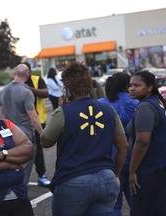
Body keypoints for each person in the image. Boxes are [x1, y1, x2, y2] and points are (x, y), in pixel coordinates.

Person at [40, 62, 128, 216]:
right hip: (106, 178)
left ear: (67, 88)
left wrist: (58, 110)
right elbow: (123, 146)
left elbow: (45, 141)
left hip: (73, 180)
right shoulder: (108, 110)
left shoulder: (63, 112)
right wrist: (117, 175)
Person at [98, 72, 139, 216]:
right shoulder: (136, 103)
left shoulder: (100, 104)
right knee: (137, 203)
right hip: (134, 157)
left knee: (113, 205)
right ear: (127, 86)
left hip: (108, 159)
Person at [127, 70, 166, 216]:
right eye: (130, 85)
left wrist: (132, 171)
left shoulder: (145, 107)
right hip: (159, 168)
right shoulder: (157, 102)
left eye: (137, 85)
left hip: (147, 171)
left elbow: (142, 141)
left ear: (149, 87)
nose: (131, 88)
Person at [0, 63, 43, 186]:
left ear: (14, 73)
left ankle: (11, 191)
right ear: (28, 76)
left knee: (12, 163)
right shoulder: (26, 92)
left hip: (8, 132)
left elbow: (1, 114)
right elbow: (33, 117)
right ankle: (20, 194)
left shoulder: (3, 91)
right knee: (25, 166)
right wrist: (42, 134)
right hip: (24, 132)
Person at [24, 62, 51, 187]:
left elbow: (45, 93)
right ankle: (20, 177)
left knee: (38, 149)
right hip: (22, 122)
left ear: (29, 72)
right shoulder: (16, 83)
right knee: (21, 149)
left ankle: (42, 175)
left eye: (26, 71)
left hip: (38, 120)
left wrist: (31, 90)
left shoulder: (37, 79)